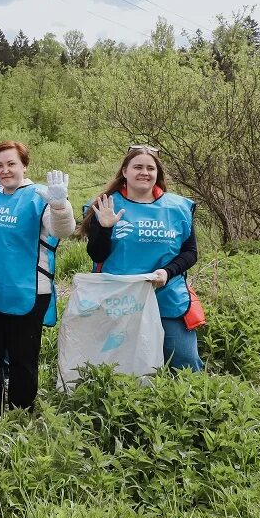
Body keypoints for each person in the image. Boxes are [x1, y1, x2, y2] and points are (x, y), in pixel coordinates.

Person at [0, 141, 74, 418]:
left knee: (22, 361)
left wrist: (60, 205)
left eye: (11, 164)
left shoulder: (40, 196)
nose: (5, 170)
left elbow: (62, 230)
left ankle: (19, 418)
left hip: (28, 291)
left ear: (24, 165)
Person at [80, 146, 203, 371]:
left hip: (167, 296)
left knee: (185, 363)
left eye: (150, 168)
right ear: (125, 171)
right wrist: (105, 228)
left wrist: (167, 272)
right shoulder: (107, 205)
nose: (144, 172)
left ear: (158, 173)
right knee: (118, 364)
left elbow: (190, 252)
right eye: (138, 167)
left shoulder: (177, 208)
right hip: (119, 298)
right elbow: (96, 255)